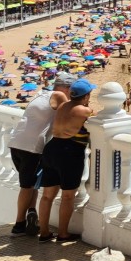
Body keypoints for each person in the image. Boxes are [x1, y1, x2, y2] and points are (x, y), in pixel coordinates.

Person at [7, 73, 74, 236]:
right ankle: (19, 224)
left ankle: (32, 212)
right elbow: (70, 113)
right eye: (72, 90)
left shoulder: (41, 93)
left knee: (32, 184)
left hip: (16, 143)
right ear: (66, 88)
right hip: (31, 147)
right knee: (26, 187)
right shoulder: (59, 96)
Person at [37, 78, 96, 242]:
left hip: (52, 148)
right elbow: (99, 119)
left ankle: (44, 232)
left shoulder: (63, 106)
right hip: (69, 152)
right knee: (68, 196)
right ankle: (63, 233)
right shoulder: (85, 111)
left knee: (47, 195)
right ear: (86, 96)